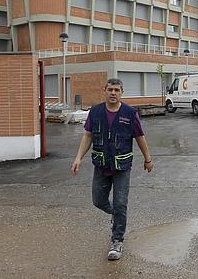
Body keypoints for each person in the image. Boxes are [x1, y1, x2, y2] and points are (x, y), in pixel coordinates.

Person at [71, 78, 153, 261]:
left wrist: (148, 159)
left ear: (122, 92)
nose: (113, 93)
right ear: (105, 91)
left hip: (122, 166)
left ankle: (117, 240)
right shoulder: (96, 111)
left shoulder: (130, 113)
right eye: (110, 89)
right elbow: (88, 135)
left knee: (121, 202)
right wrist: (78, 158)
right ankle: (116, 215)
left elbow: (140, 137)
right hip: (101, 165)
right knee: (98, 201)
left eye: (117, 90)